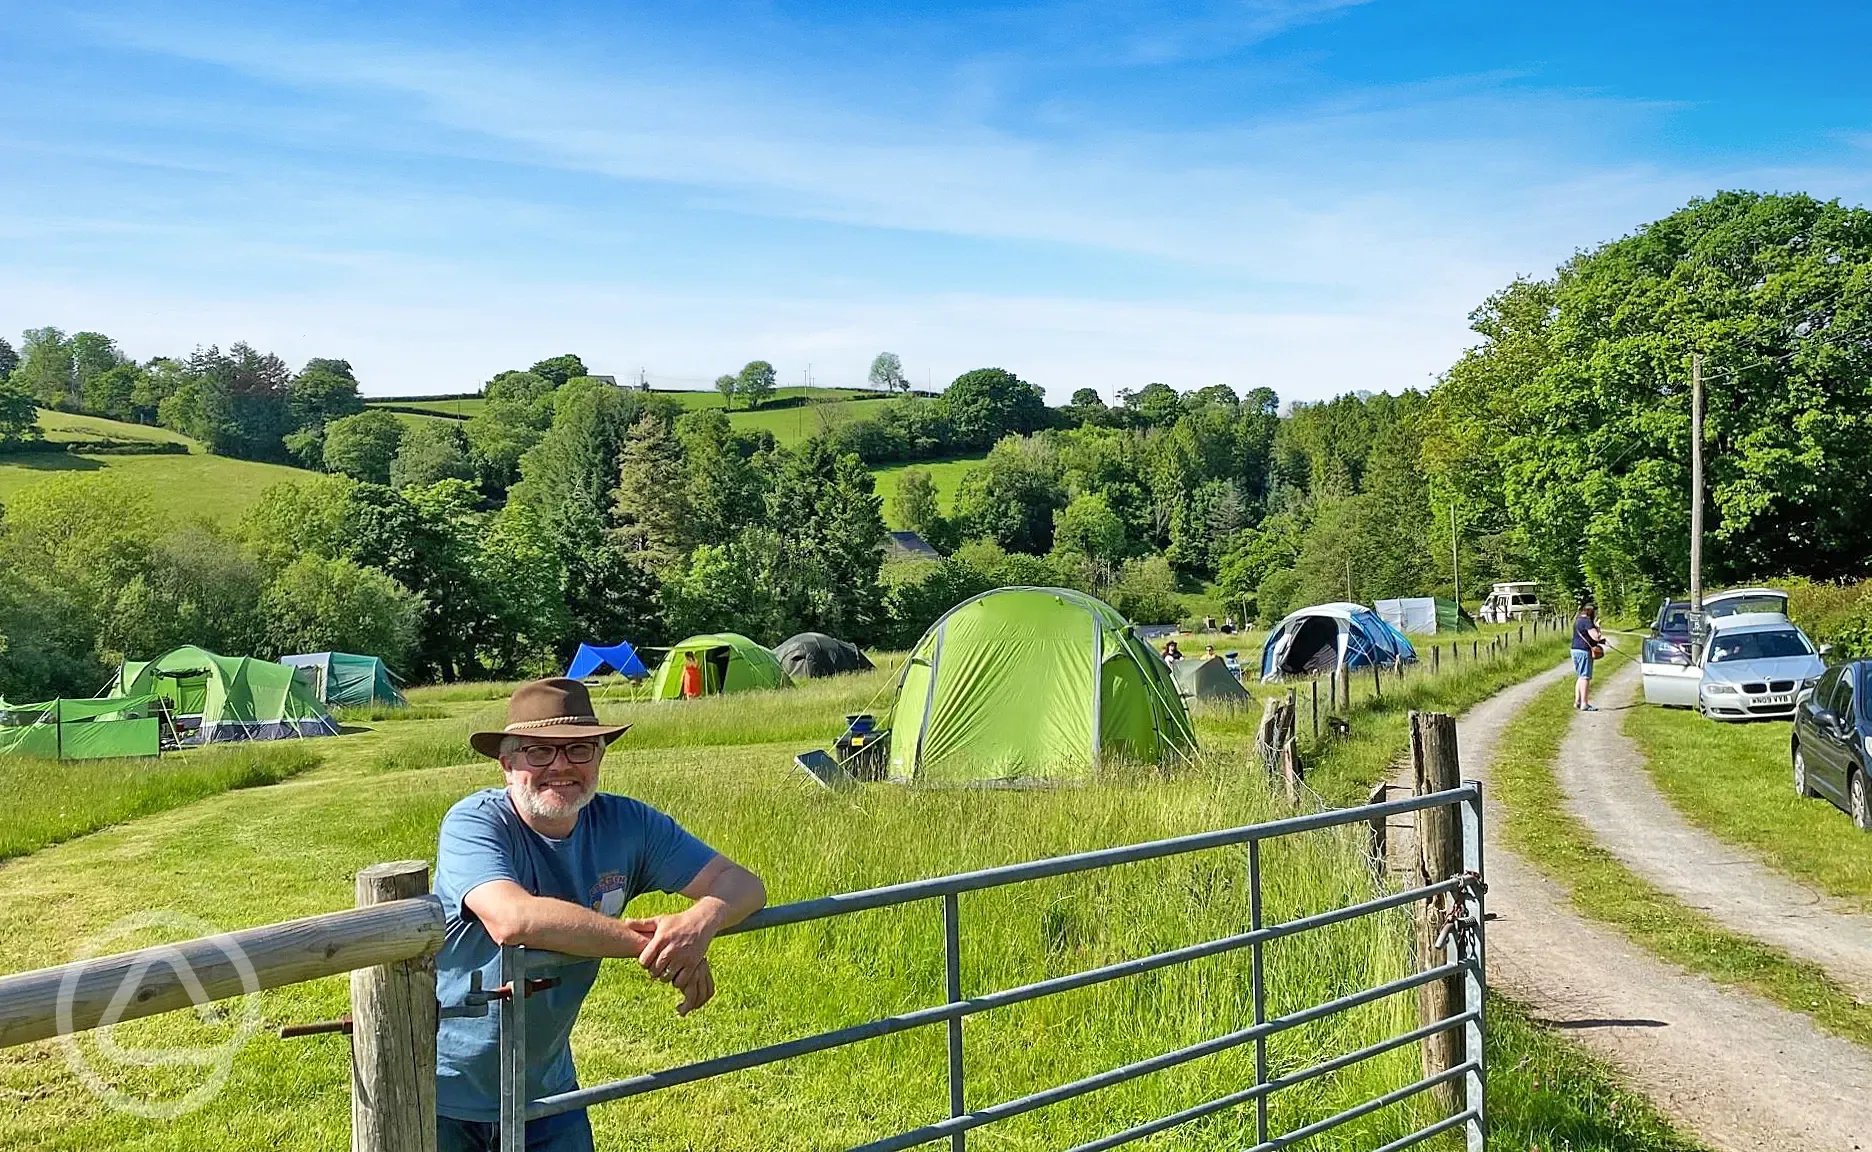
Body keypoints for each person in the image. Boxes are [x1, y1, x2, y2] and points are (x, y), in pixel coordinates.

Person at [435, 678, 766, 1151]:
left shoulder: (628, 824)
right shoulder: (475, 822)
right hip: (442, 1087)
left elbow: (742, 883)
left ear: (600, 756)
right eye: (540, 753)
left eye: (579, 750)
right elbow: (512, 918)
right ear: (507, 765)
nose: (562, 766)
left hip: (547, 1088)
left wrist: (701, 921)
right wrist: (667, 947)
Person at [1572, 602, 1607, 711]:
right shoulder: (1587, 621)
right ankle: (1584, 703)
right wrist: (1598, 627)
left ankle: (1577, 701)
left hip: (1575, 649)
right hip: (1584, 651)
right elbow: (1595, 637)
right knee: (1585, 677)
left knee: (1580, 676)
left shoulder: (1578, 619)